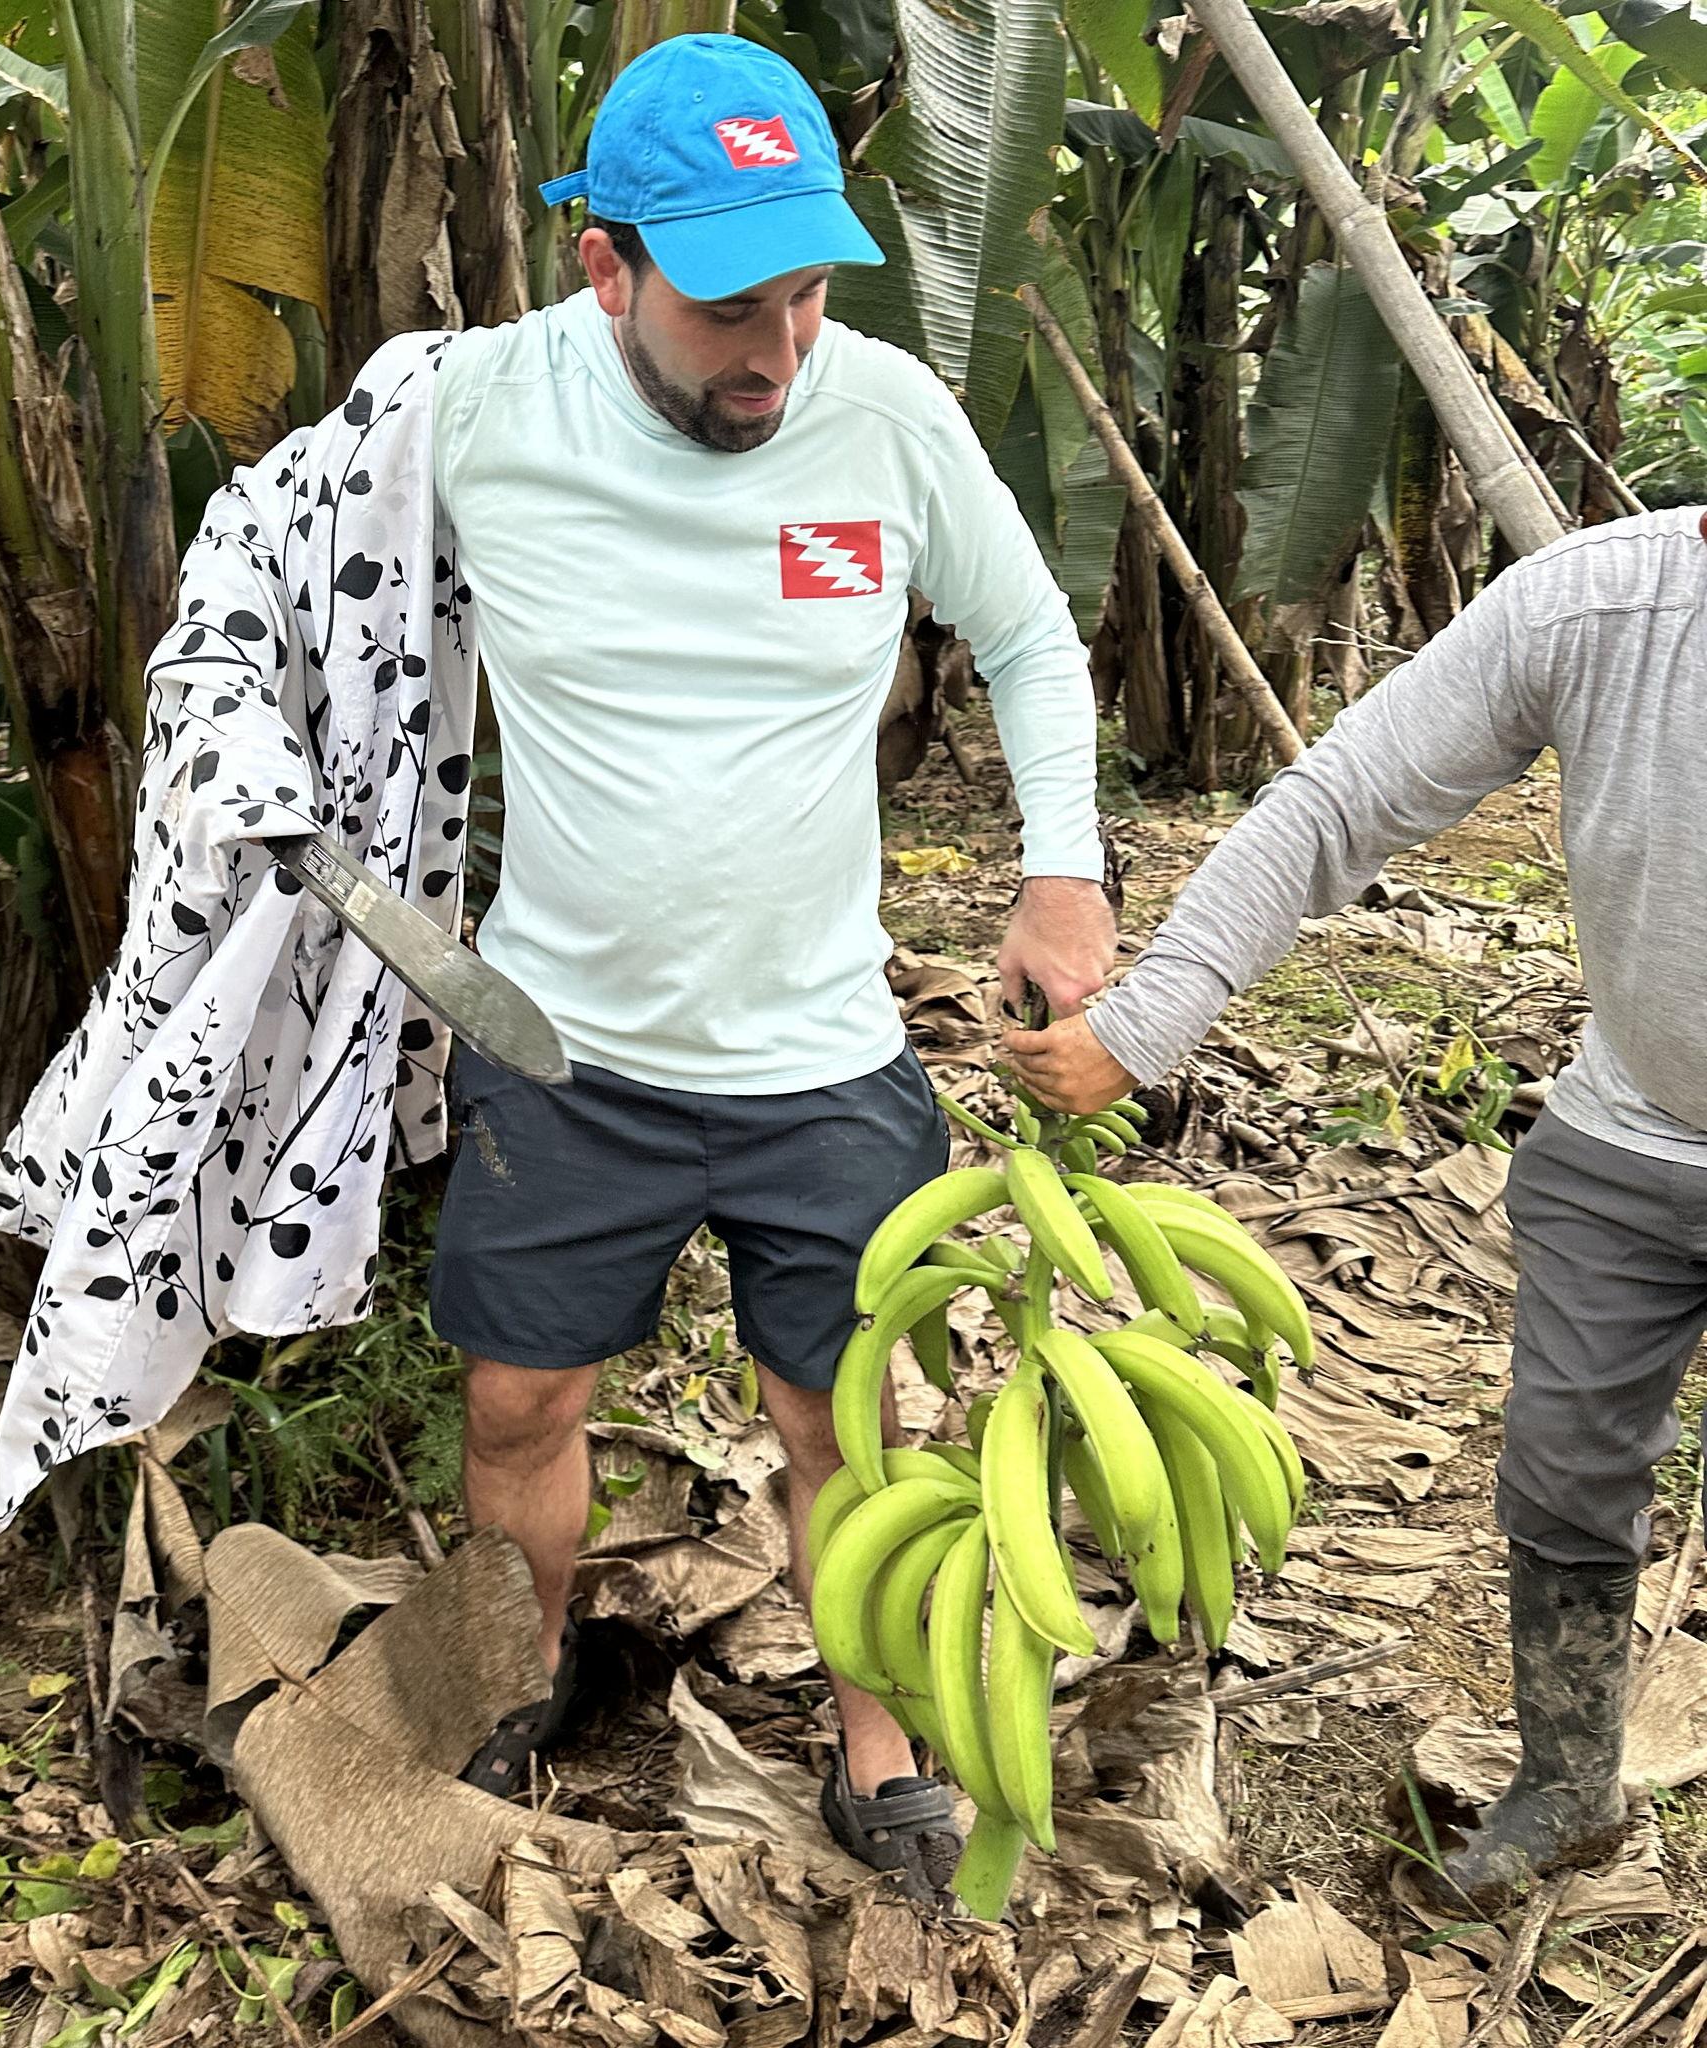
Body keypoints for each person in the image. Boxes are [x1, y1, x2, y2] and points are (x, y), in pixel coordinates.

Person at [425, 33, 1114, 1892]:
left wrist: (1066, 880)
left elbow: (1032, 636)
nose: (778, 352)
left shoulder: (882, 416)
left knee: (839, 1416)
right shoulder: (475, 410)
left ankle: (873, 1735)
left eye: (808, 292)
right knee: (519, 1400)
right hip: (562, 1048)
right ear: (606, 269)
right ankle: (526, 1667)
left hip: (820, 1050)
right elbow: (280, 578)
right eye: (733, 305)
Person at [1007, 507, 1707, 1913]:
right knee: (1566, 1472)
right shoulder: (1606, 607)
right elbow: (1339, 803)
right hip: (1634, 1134)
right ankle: (1570, 1784)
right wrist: (1144, 1023)